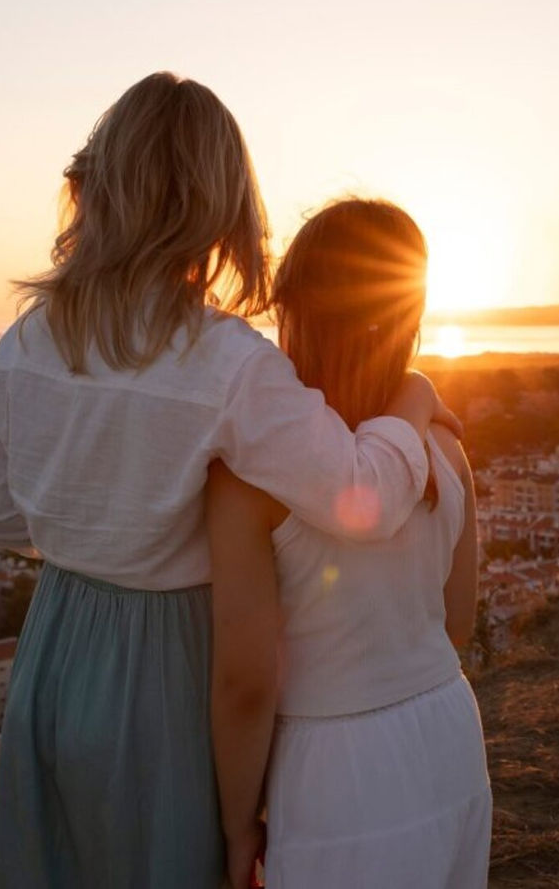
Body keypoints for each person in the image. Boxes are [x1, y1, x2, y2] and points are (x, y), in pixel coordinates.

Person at [0, 74, 452, 889]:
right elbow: (364, 500)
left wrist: (97, 536)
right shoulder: (229, 363)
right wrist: (413, 399)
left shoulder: (24, 343)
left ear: (99, 191)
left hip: (55, 644)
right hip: (172, 664)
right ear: (221, 206)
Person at [206, 199, 491, 889]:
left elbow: (246, 683)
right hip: (448, 734)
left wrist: (238, 826)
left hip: (334, 766)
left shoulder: (249, 481)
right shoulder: (447, 447)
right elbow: (458, 622)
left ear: (295, 314)